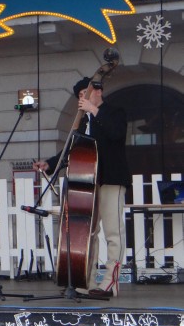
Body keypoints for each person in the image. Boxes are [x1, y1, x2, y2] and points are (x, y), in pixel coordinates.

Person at [33, 77, 130, 298]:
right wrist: (50, 164)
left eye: (84, 93)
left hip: (111, 179)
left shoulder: (114, 112)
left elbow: (116, 133)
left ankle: (111, 282)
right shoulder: (84, 121)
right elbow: (72, 148)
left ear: (98, 91)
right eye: (79, 95)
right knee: (89, 234)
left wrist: (94, 111)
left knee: (113, 232)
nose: (81, 99)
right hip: (89, 182)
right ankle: (86, 280)